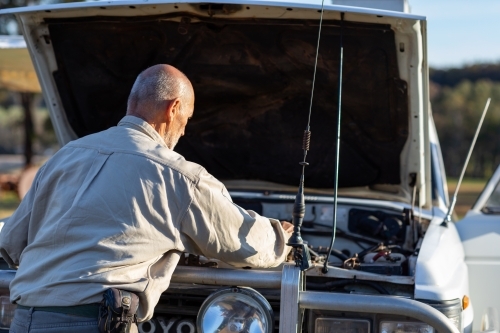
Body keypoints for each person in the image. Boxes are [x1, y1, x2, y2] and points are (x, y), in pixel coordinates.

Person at [0, 64, 293, 333]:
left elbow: (11, 242)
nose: (185, 128)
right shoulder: (179, 175)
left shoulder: (64, 156)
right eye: (186, 118)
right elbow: (238, 239)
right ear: (173, 108)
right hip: (95, 322)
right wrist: (283, 239)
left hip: (26, 320)